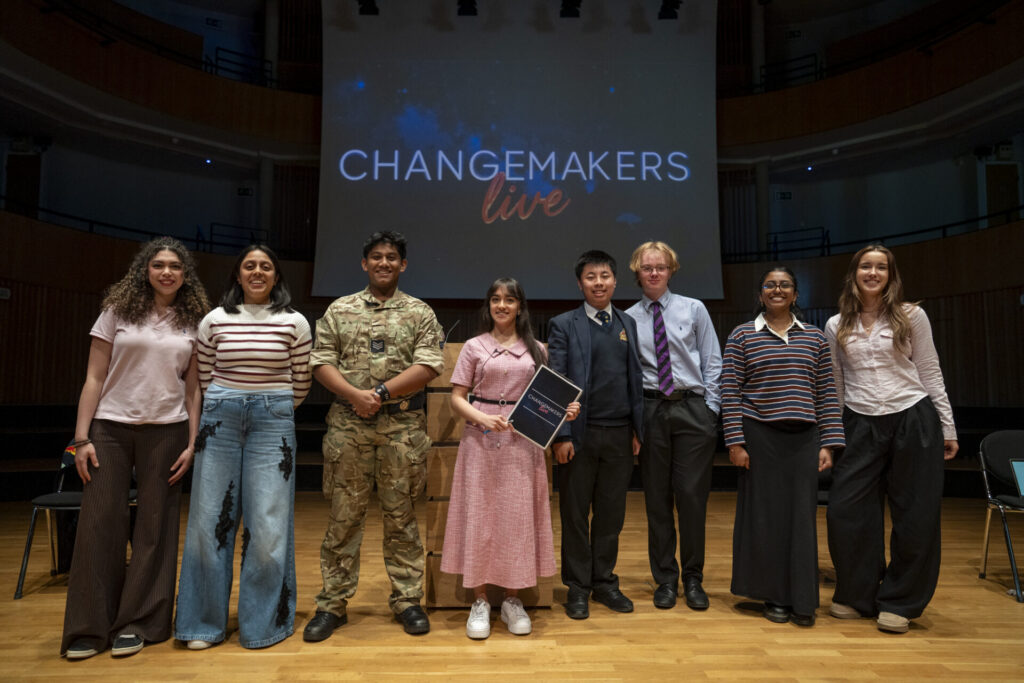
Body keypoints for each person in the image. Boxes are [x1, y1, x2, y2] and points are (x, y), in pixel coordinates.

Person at [61, 237, 209, 660]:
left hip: (168, 431)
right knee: (98, 525)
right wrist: (81, 438)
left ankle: (139, 622)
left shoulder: (194, 320)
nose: (167, 272)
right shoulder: (116, 312)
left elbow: (193, 389)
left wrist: (194, 442)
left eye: (175, 266)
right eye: (159, 265)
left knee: (154, 529)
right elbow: (93, 378)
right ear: (145, 270)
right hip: (109, 427)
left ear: (185, 275)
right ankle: (89, 629)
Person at [303, 231, 445, 641]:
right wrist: (355, 396)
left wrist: (381, 394)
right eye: (377, 257)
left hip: (401, 429)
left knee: (401, 519)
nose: (384, 263)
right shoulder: (339, 310)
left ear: (403, 265)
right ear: (364, 264)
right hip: (349, 427)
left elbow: (430, 364)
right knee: (343, 519)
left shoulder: (419, 313)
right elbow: (321, 361)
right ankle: (333, 603)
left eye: (392, 257)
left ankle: (407, 600)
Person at [174, 244, 312, 649]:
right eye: (249, 266)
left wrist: (272, 404)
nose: (257, 272)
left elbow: (300, 381)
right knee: (207, 521)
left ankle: (262, 625)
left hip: (274, 421)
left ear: (275, 277)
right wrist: (232, 400)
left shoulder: (295, 321)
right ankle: (201, 624)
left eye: (265, 266)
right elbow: (205, 373)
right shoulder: (215, 319)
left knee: (268, 527)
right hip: (221, 416)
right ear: (237, 275)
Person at [825, 244, 958, 634]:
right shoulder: (836, 324)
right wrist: (832, 433)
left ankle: (900, 601)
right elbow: (835, 383)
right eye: (866, 266)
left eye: (881, 267)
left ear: (890, 275)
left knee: (915, 513)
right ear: (854, 273)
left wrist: (947, 427)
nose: (873, 273)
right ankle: (856, 593)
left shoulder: (912, 316)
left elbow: (930, 371)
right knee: (846, 512)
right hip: (859, 420)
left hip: (912, 416)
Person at [441, 278, 580, 639]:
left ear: (521, 306)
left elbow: (548, 401)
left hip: (523, 445)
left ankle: (513, 601)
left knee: (517, 519)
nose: (502, 305)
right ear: (488, 305)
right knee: (480, 516)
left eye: (510, 299)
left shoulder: (537, 350)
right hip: (480, 442)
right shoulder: (474, 347)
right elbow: (457, 397)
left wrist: (567, 410)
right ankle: (481, 600)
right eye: (496, 299)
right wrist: (480, 417)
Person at [721, 266, 845, 626]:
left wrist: (829, 444)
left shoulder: (815, 338)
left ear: (795, 294)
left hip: (804, 441)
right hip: (758, 439)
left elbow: (826, 393)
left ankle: (802, 599)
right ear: (760, 294)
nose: (777, 290)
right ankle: (774, 596)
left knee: (801, 520)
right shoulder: (742, 336)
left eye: (784, 285)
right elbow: (730, 392)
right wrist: (735, 442)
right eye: (770, 285)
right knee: (765, 521)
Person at [625, 241, 722, 611]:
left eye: (661, 267)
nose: (654, 273)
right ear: (638, 273)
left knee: (693, 499)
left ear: (671, 270)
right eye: (647, 268)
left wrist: (711, 410)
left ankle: (693, 578)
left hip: (692, 410)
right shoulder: (628, 318)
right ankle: (665, 579)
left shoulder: (693, 309)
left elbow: (713, 362)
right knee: (657, 501)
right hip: (651, 411)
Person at [548, 250, 644, 620]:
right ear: (580, 283)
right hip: (580, 435)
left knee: (611, 514)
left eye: (604, 275)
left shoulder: (627, 323)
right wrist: (562, 434)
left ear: (615, 280)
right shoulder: (563, 324)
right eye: (591, 276)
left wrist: (637, 429)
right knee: (574, 514)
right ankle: (577, 586)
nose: (599, 282)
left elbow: (635, 379)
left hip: (621, 434)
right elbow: (557, 381)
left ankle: (604, 581)